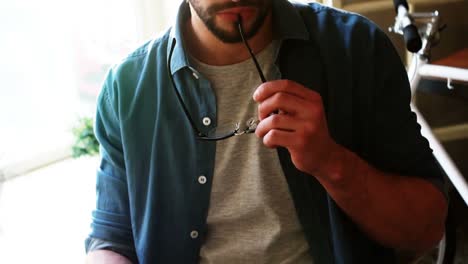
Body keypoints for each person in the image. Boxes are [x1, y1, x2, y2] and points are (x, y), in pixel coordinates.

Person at [85, 0, 448, 263]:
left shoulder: (355, 49)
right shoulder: (128, 88)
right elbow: (112, 240)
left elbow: (426, 228)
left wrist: (331, 162)